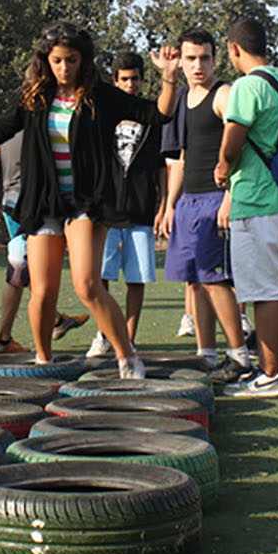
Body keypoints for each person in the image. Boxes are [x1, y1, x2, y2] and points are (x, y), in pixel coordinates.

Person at [0, 23, 179, 376]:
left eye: (71, 60)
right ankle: (43, 361)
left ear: (83, 60)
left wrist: (170, 78)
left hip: (87, 202)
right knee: (43, 292)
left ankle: (127, 356)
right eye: (57, 61)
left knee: (86, 284)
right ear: (46, 61)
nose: (64, 68)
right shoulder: (34, 100)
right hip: (45, 202)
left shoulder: (101, 96)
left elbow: (158, 114)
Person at [213, 18, 278, 397]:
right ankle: (275, 371)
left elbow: (233, 144)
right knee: (275, 291)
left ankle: (270, 374)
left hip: (257, 203)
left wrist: (221, 169)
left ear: (234, 48)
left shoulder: (247, 86)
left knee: (264, 293)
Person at [158, 28, 251, 380]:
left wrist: (230, 196)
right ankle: (206, 354)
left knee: (215, 280)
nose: (198, 65)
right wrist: (169, 205)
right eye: (191, 58)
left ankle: (240, 356)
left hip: (215, 201)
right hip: (187, 202)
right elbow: (180, 158)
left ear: (216, 58)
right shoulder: (181, 97)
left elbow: (240, 144)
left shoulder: (224, 93)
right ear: (180, 60)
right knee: (194, 281)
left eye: (205, 58)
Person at [0, 135, 89, 353]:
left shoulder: (9, 123)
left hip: (20, 202)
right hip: (26, 204)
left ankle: (52, 321)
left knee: (24, 266)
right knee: (20, 267)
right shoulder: (35, 122)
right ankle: (6, 339)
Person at [93, 52, 168, 354]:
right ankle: (104, 335)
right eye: (124, 78)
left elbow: (163, 164)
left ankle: (128, 337)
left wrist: (164, 205)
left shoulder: (153, 116)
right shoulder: (102, 114)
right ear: (115, 80)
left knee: (136, 279)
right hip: (107, 212)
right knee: (102, 277)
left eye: (135, 78)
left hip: (141, 211)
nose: (130, 84)